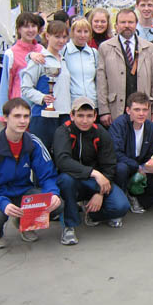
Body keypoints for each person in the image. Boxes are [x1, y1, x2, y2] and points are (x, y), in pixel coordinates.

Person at [0, 98, 63, 248]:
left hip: (23, 191)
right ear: (5, 118)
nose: (22, 121)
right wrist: (3, 204)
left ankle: (24, 222)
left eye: (26, 116)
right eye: (17, 116)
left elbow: (48, 175)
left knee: (58, 204)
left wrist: (53, 193)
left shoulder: (34, 143)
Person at [54, 97, 129, 245]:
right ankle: (69, 226)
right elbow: (63, 161)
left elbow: (109, 164)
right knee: (65, 180)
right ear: (72, 115)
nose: (85, 120)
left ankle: (92, 214)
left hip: (94, 182)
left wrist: (99, 193)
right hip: (73, 179)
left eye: (89, 116)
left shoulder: (100, 132)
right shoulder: (63, 131)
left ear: (95, 116)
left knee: (121, 207)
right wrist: (93, 173)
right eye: (80, 115)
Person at [109, 92, 153, 213]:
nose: (141, 113)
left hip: (142, 167)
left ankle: (138, 200)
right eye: (137, 109)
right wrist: (137, 167)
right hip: (125, 166)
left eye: (144, 110)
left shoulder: (151, 128)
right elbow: (115, 153)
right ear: (128, 110)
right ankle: (121, 198)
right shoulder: (119, 124)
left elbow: (150, 153)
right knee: (121, 169)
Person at [97, 8, 153, 127]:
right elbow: (101, 81)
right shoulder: (105, 47)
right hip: (116, 107)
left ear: (136, 24)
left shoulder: (150, 48)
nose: (127, 26)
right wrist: (104, 110)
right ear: (116, 25)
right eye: (123, 22)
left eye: (130, 22)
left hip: (142, 107)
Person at [20, 20, 71, 151]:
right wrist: (42, 97)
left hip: (64, 115)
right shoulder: (39, 59)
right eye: (57, 36)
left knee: (61, 155)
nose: (61, 41)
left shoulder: (64, 60)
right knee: (42, 154)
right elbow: (25, 88)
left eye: (64, 37)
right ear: (47, 36)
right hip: (43, 116)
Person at [0, 12, 43, 121]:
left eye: (33, 26)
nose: (30, 30)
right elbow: (5, 85)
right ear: (19, 29)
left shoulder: (42, 50)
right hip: (18, 108)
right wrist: (2, 114)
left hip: (39, 108)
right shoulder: (11, 53)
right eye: (26, 26)